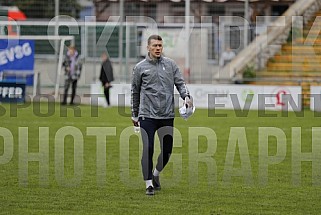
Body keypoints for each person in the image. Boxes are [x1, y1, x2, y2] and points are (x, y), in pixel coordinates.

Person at [131, 34, 193, 195]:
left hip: (166, 114)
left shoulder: (171, 65)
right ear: (148, 48)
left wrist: (186, 96)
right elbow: (135, 92)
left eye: (160, 45)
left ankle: (156, 174)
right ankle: (148, 184)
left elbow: (180, 83)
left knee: (167, 150)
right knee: (148, 148)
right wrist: (134, 114)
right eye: (155, 46)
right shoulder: (140, 68)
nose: (158, 48)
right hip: (147, 115)